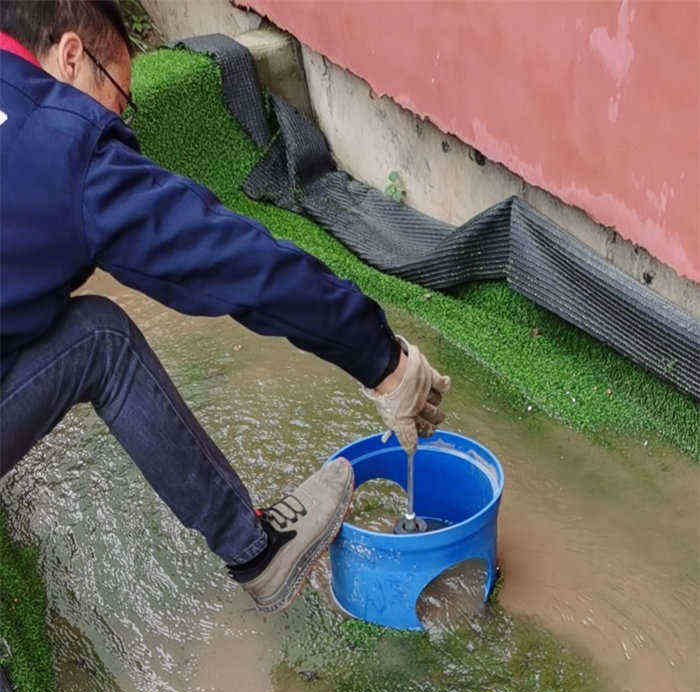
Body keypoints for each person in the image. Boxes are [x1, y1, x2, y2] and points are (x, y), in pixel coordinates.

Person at [0, 0, 450, 614]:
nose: (115, 120)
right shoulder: (66, 152)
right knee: (100, 340)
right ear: (72, 56)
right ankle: (257, 554)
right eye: (117, 96)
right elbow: (233, 261)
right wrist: (381, 359)